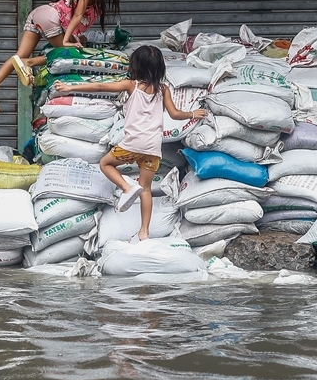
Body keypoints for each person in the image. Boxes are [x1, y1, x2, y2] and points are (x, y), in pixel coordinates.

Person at [54, 45, 206, 241]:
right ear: (160, 68)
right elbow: (175, 114)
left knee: (105, 164)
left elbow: (100, 87)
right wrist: (193, 113)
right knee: (146, 189)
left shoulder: (131, 85)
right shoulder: (163, 89)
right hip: (152, 149)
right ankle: (144, 232)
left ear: (136, 66)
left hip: (132, 145)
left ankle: (126, 188)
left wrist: (70, 88)